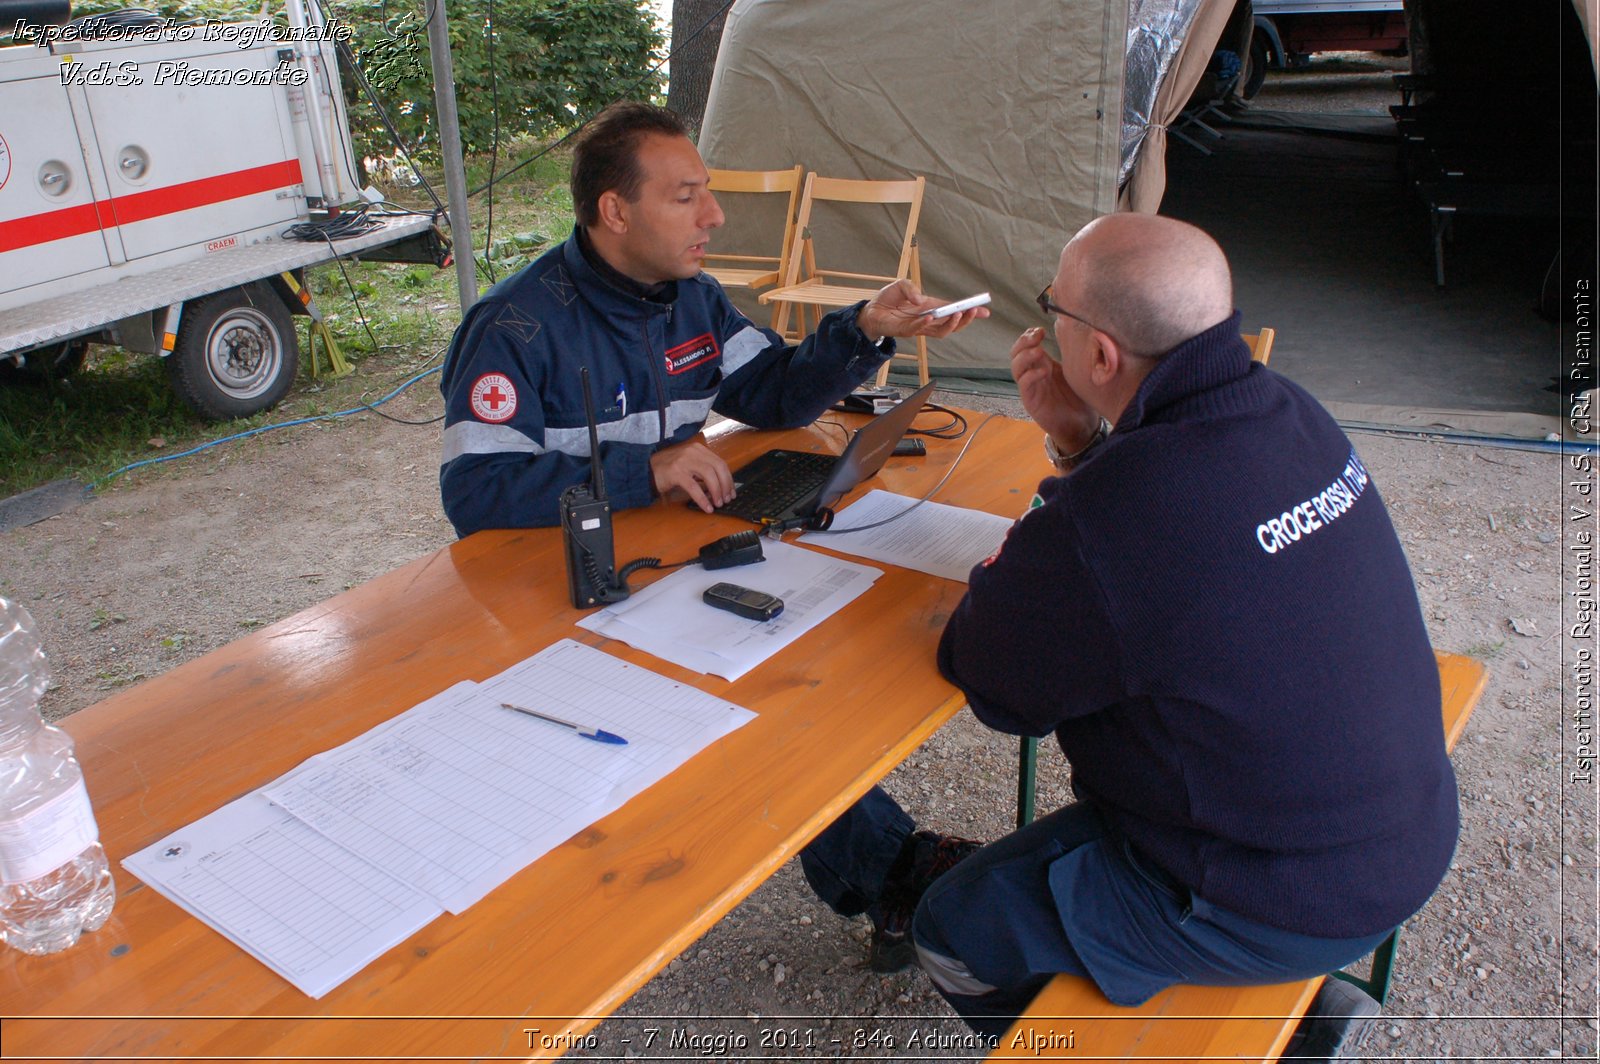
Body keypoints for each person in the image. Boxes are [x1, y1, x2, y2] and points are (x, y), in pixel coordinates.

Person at [800, 213, 1458, 1040]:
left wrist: (1070, 502)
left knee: (954, 932)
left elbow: (994, 682)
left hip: (1280, 894)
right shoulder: (1286, 408)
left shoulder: (1119, 514)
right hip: (1401, 827)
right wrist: (1079, 444)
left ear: (1100, 355)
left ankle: (1274, 1034)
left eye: (1053, 308)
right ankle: (1285, 1005)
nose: (1044, 321)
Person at [438, 102, 983, 536]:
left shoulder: (694, 299)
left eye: (709, 192)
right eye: (685, 198)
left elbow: (774, 393)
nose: (714, 216)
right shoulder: (513, 330)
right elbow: (476, 491)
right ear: (615, 212)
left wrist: (865, 328)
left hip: (658, 548)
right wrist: (647, 471)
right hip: (549, 575)